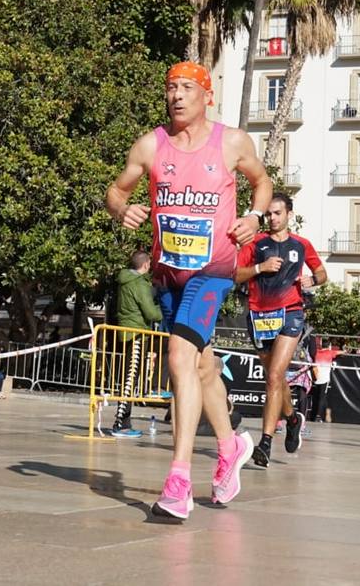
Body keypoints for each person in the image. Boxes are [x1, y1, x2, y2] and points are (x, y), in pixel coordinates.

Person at [105, 60, 271, 520]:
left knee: (179, 357)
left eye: (185, 88)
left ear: (206, 95)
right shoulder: (150, 145)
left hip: (214, 270)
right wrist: (123, 210)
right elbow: (115, 191)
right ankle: (230, 444)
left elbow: (262, 181)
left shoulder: (231, 142)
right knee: (201, 367)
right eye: (170, 88)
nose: (176, 95)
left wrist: (254, 218)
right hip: (168, 273)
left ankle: (178, 480)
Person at [234, 192, 326, 468]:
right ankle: (293, 418)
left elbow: (322, 273)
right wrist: (260, 267)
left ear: (289, 214)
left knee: (275, 375)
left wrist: (313, 280)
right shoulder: (256, 243)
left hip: (290, 312)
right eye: (269, 214)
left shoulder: (302, 244)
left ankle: (265, 443)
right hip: (259, 315)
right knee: (274, 379)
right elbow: (235, 273)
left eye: (277, 213)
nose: (272, 218)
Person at [111, 250, 162, 438]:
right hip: (136, 334)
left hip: (126, 332)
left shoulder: (125, 281)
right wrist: (164, 309)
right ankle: (120, 424)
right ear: (146, 264)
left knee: (127, 378)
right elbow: (151, 313)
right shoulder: (139, 284)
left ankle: (124, 422)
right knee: (129, 380)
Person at [310, 340, 340, 423]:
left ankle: (313, 415)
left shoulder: (316, 353)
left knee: (315, 397)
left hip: (315, 378)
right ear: (329, 346)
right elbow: (341, 352)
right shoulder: (330, 352)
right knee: (321, 397)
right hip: (324, 379)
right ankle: (318, 416)